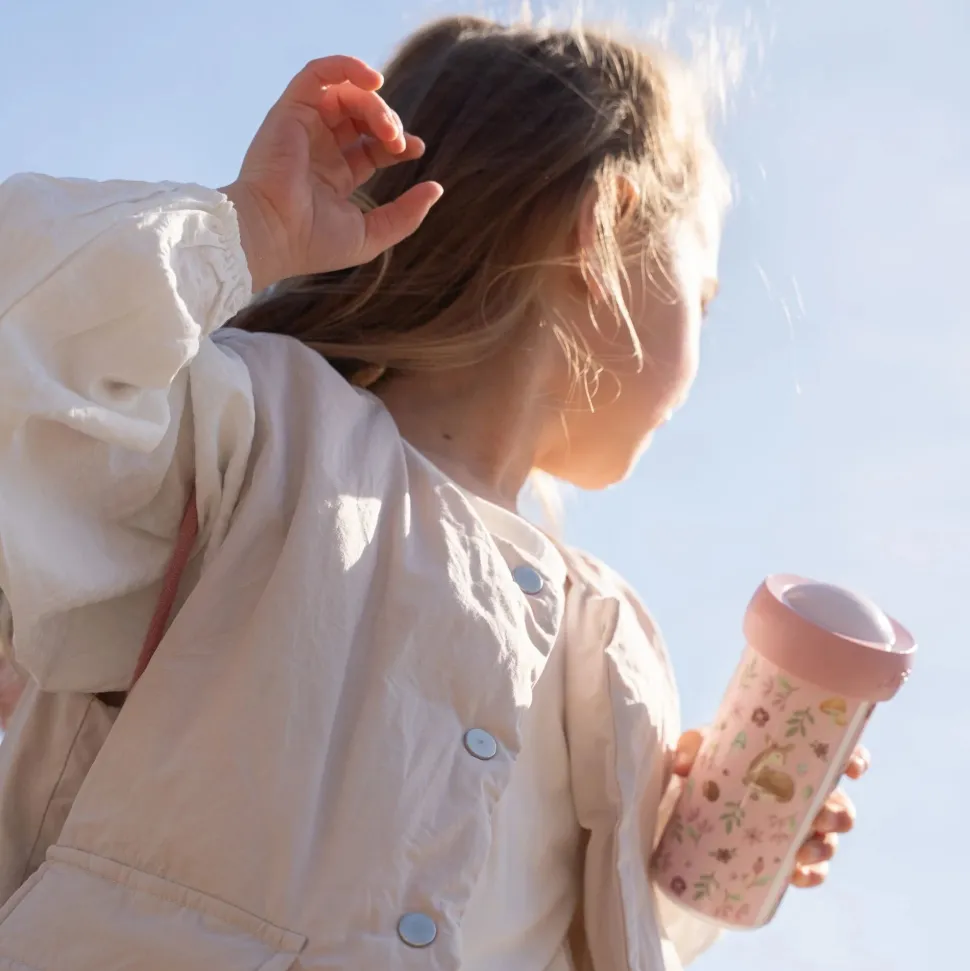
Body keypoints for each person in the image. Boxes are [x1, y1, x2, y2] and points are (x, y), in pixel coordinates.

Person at [0, 15, 868, 971]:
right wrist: (247, 227)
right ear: (609, 227)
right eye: (702, 294)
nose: (705, 338)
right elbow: (33, 369)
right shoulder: (257, 436)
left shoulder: (609, 637)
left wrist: (683, 864)